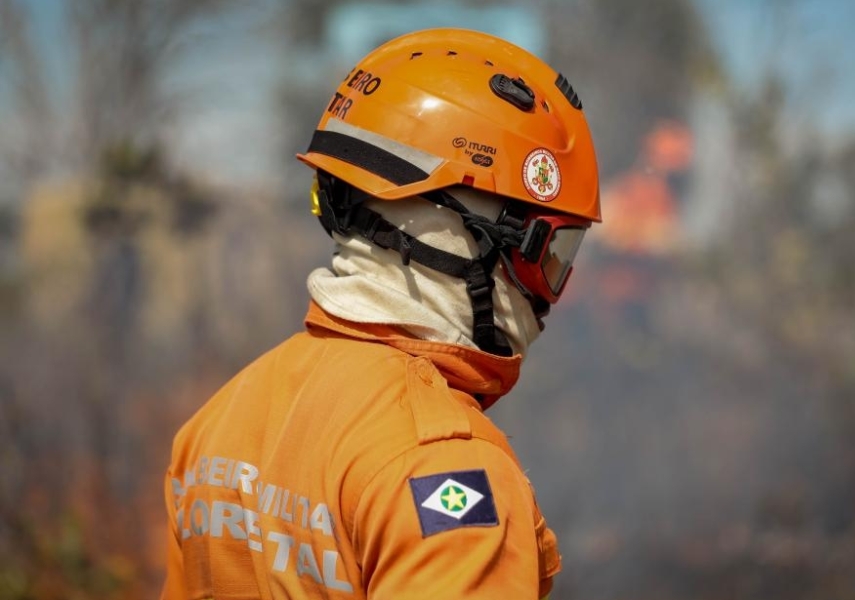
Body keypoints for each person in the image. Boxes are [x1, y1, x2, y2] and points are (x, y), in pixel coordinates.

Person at [161, 28, 601, 599]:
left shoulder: (219, 423)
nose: (547, 297)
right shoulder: (448, 472)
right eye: (549, 255)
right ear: (460, 236)